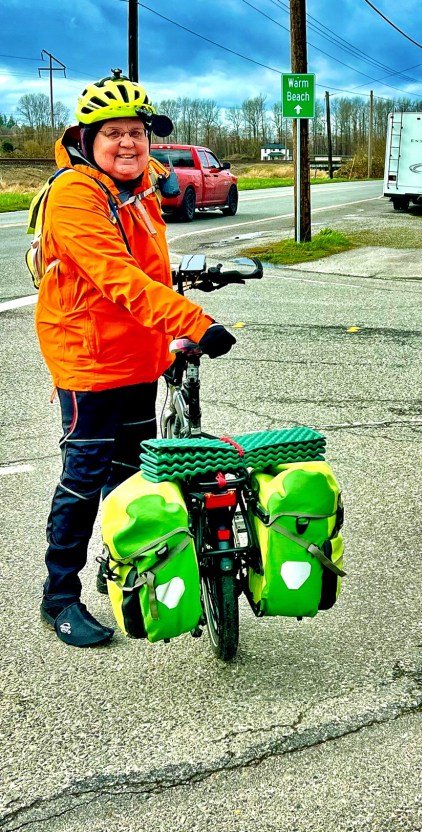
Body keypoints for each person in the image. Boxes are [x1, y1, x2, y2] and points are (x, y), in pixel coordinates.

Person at [35, 69, 237, 647]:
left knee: (131, 474)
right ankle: (59, 597)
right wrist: (193, 322)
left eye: (137, 132)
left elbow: (149, 266)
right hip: (90, 360)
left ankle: (123, 565)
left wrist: (176, 313)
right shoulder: (75, 194)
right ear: (85, 139)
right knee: (85, 477)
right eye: (112, 133)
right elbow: (115, 275)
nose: (127, 143)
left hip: (138, 354)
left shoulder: (140, 184)